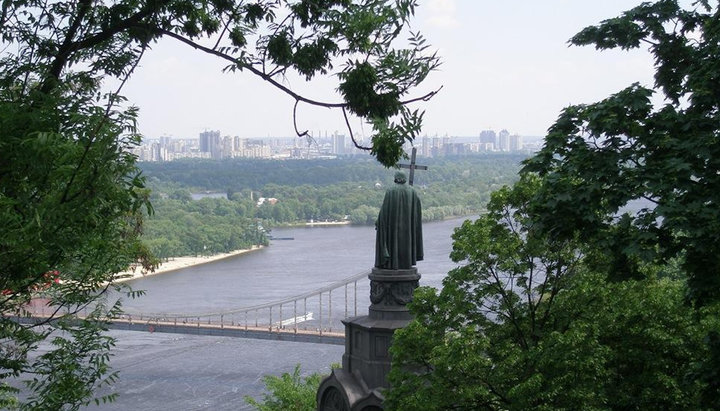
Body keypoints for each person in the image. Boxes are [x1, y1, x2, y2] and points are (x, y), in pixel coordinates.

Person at [375, 171, 423, 269]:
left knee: (392, 241)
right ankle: (406, 263)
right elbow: (417, 211)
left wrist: (378, 221)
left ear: (396, 178)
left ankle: (391, 263)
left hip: (392, 228)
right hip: (408, 228)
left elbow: (384, 211)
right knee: (407, 242)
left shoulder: (390, 191)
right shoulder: (413, 192)